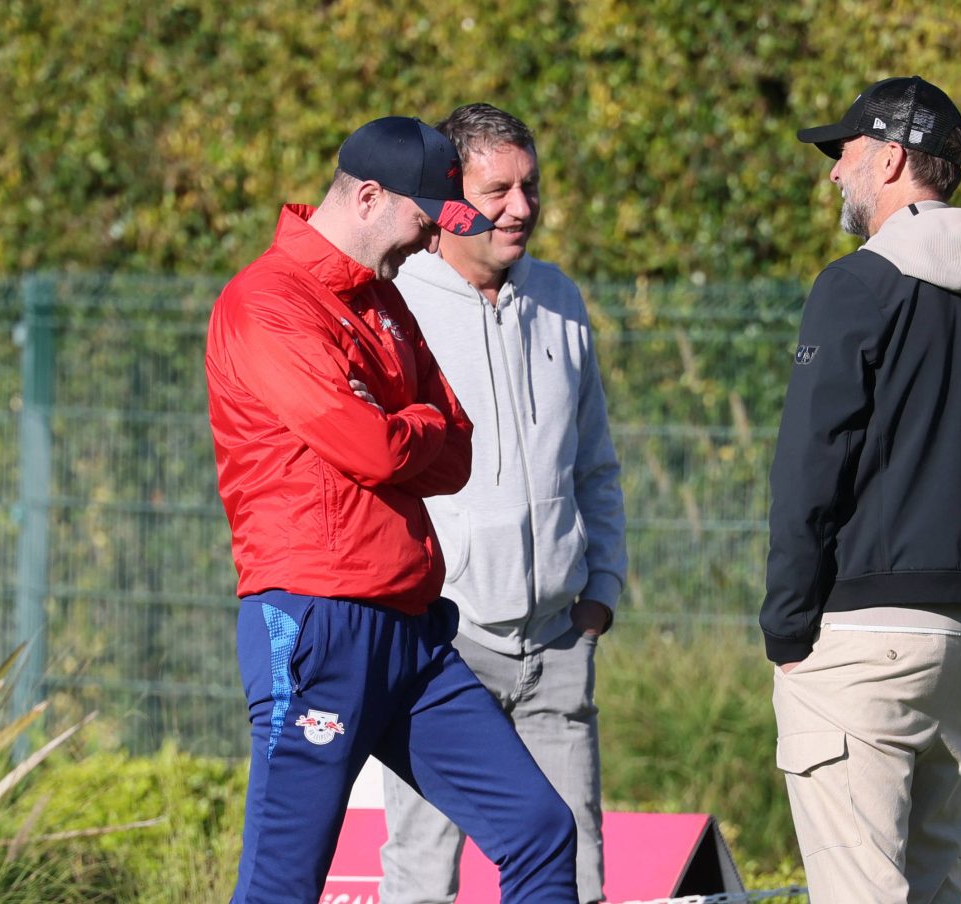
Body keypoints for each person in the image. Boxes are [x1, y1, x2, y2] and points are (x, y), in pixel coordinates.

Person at [205, 115, 576, 904]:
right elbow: (371, 448)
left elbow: (459, 444)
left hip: (410, 627)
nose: (429, 241)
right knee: (282, 885)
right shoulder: (266, 302)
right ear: (369, 197)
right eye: (423, 221)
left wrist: (398, 423)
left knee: (541, 828)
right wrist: (408, 428)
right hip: (316, 623)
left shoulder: (382, 300)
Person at [762, 75, 961, 903]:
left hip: (862, 644)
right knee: (934, 890)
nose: (834, 173)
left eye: (847, 153)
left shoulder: (856, 285)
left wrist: (787, 627)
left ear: (892, 159)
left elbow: (810, 470)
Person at [379, 103, 626, 904]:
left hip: (558, 642)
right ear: (450, 198)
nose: (521, 207)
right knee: (423, 874)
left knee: (577, 868)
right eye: (499, 190)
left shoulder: (561, 297)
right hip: (440, 644)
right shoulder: (394, 305)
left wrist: (601, 596)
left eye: (531, 187)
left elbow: (595, 465)